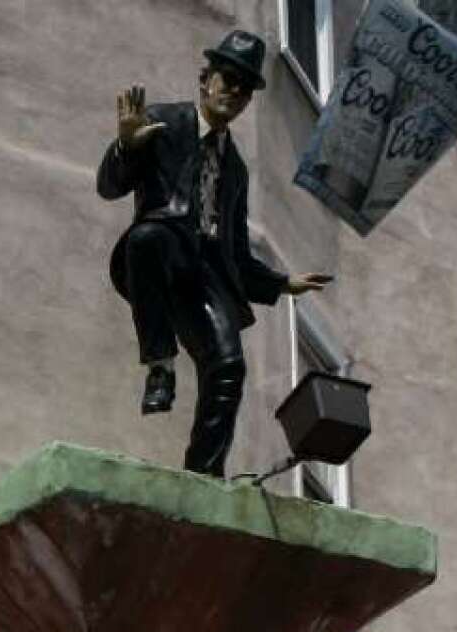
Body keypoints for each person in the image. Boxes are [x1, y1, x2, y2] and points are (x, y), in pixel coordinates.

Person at [97, 29, 332, 475]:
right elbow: (110, 187)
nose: (234, 93)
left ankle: (204, 473)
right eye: (228, 80)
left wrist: (282, 283)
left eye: (244, 90)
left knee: (228, 366)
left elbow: (236, 254)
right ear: (206, 80)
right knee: (148, 237)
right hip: (164, 250)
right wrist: (127, 145)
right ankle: (160, 365)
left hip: (204, 270)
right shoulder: (163, 124)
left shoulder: (236, 170)